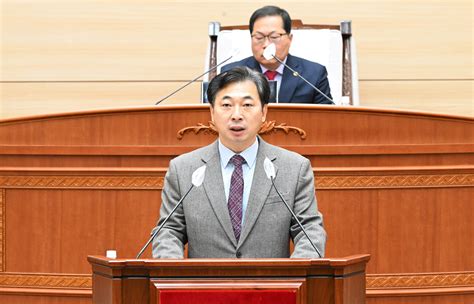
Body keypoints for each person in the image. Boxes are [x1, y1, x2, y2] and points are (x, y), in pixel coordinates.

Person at [152, 67, 326, 259]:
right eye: (226, 105)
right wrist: (172, 272)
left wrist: (294, 277)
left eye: (247, 105)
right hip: (204, 286)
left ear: (264, 112)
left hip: (272, 286)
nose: (236, 115)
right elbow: (168, 230)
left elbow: (310, 230)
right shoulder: (183, 169)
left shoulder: (294, 168)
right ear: (211, 112)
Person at [221, 6, 333, 104]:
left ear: (290, 39)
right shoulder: (230, 73)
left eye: (274, 37)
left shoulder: (314, 74)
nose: (266, 44)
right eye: (259, 37)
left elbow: (327, 117)